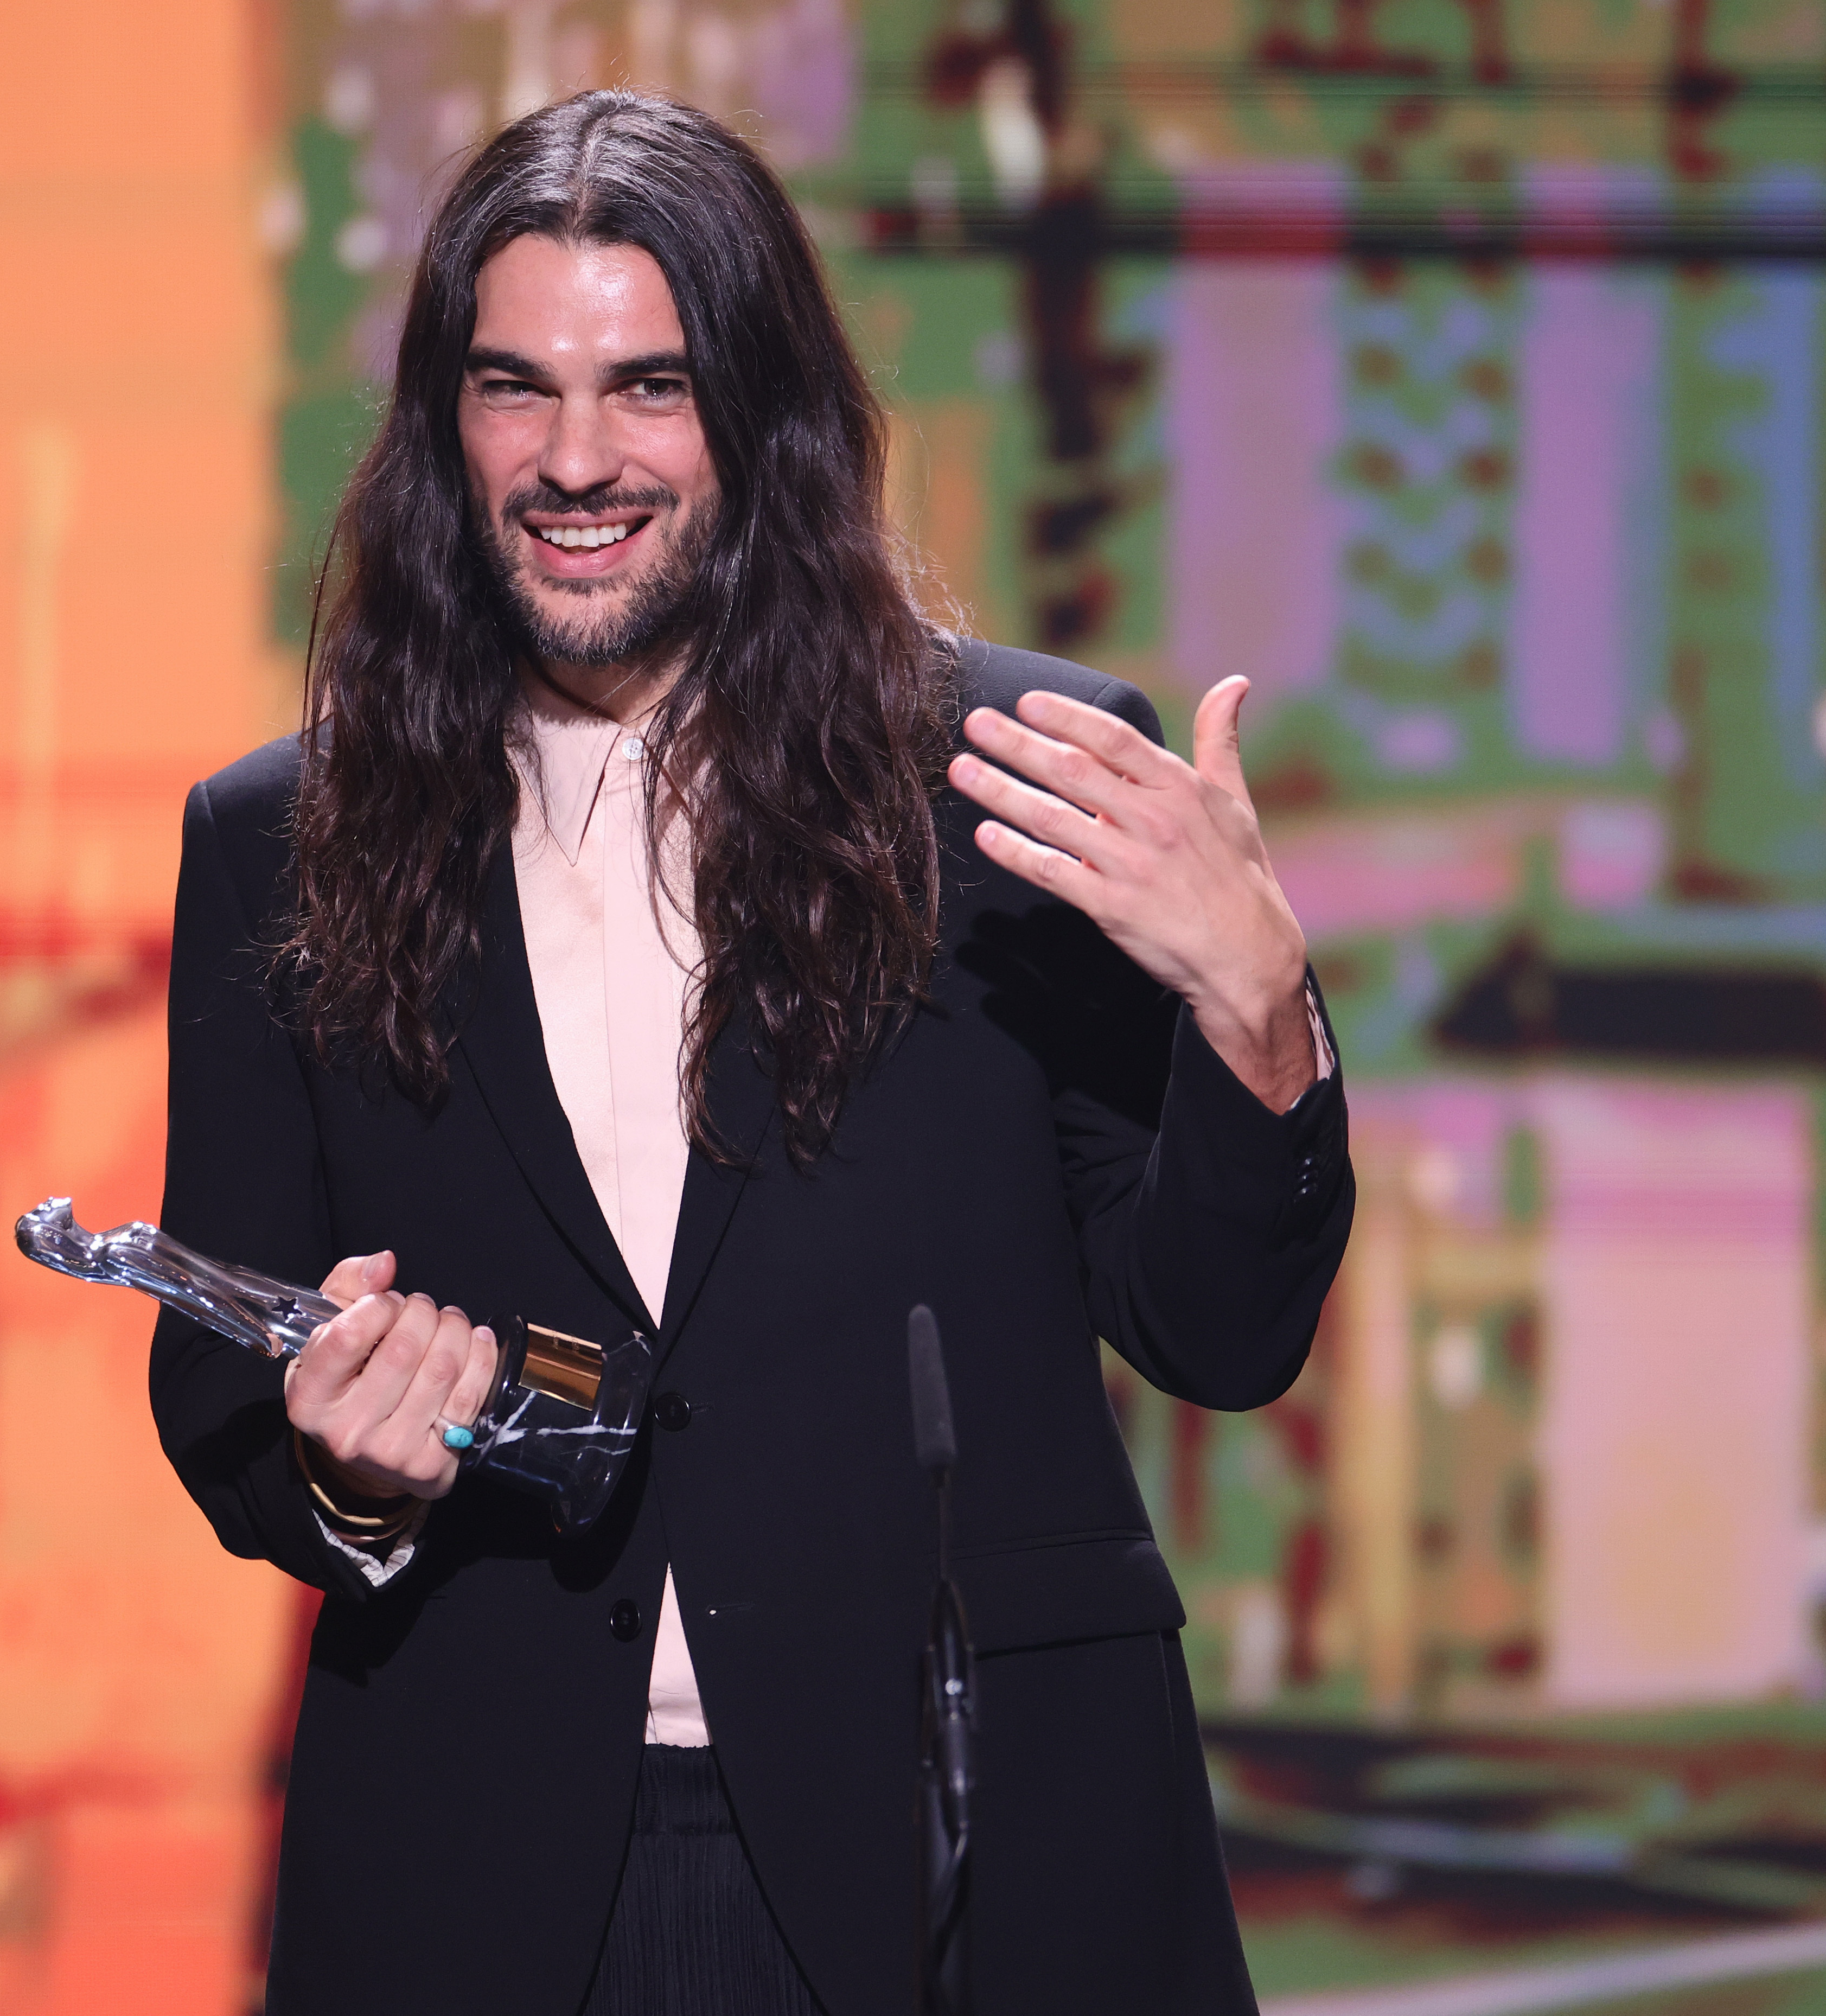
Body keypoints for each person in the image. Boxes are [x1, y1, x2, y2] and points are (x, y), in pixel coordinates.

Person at [150, 90, 1352, 2015]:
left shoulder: (1015, 787)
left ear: (763, 414)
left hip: (975, 1855)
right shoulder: (278, 841)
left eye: (650, 386)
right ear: (443, 422)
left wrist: (1259, 1013)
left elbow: (1221, 1331)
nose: (575, 459)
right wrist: (349, 1470)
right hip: (483, 1872)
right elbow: (221, 1389)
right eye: (516, 388)